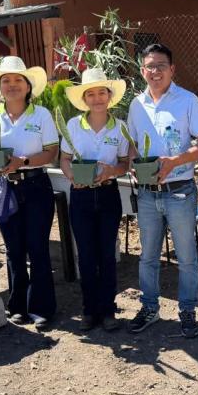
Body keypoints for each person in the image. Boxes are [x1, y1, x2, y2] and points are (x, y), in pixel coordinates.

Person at [126, 43, 198, 338]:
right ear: (142, 71)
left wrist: (175, 161)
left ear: (172, 69)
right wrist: (131, 164)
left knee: (187, 258)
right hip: (147, 193)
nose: (155, 71)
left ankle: (187, 311)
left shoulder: (187, 101)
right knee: (148, 257)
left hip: (180, 191)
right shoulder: (136, 105)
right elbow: (132, 145)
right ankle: (150, 308)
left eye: (161, 66)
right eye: (150, 66)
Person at [0, 56, 59, 330]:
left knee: (37, 248)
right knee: (13, 250)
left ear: (27, 86)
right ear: (0, 87)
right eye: (6, 81)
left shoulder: (41, 115)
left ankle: (42, 308)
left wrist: (21, 161)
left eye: (17, 80)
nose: (12, 85)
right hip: (3, 188)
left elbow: (51, 152)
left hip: (35, 186)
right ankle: (17, 306)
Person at [59, 68, 130, 332]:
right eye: (91, 93)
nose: (97, 98)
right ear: (85, 98)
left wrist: (113, 171)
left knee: (107, 255)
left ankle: (108, 310)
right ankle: (89, 310)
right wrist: (70, 176)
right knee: (87, 255)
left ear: (110, 97)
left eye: (102, 92)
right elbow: (65, 158)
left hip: (109, 195)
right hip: (81, 196)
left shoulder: (120, 127)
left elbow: (124, 163)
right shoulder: (73, 126)